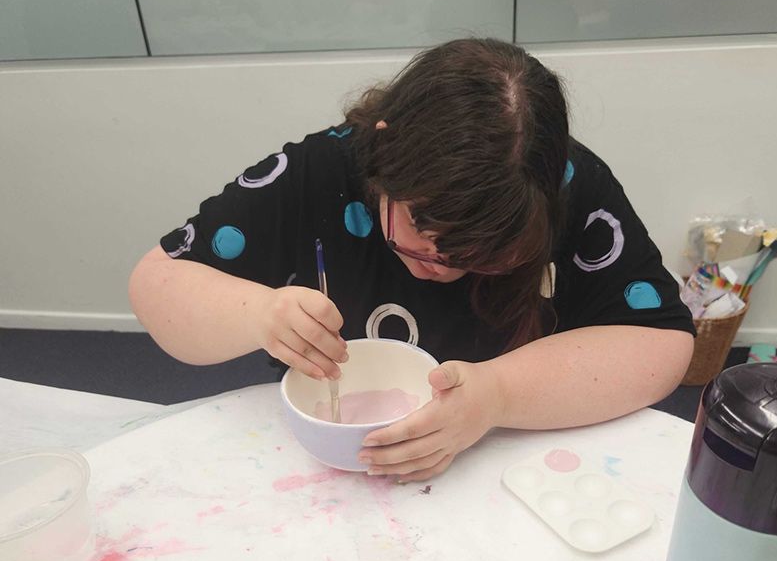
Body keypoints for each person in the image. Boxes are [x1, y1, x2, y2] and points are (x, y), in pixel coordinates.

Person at [129, 38, 695, 482]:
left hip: (510, 457)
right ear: (384, 147)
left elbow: (661, 342)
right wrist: (255, 312)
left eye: (483, 253)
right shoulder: (319, 171)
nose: (443, 266)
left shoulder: (566, 182)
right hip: (331, 464)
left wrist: (497, 396)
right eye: (422, 228)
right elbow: (157, 283)